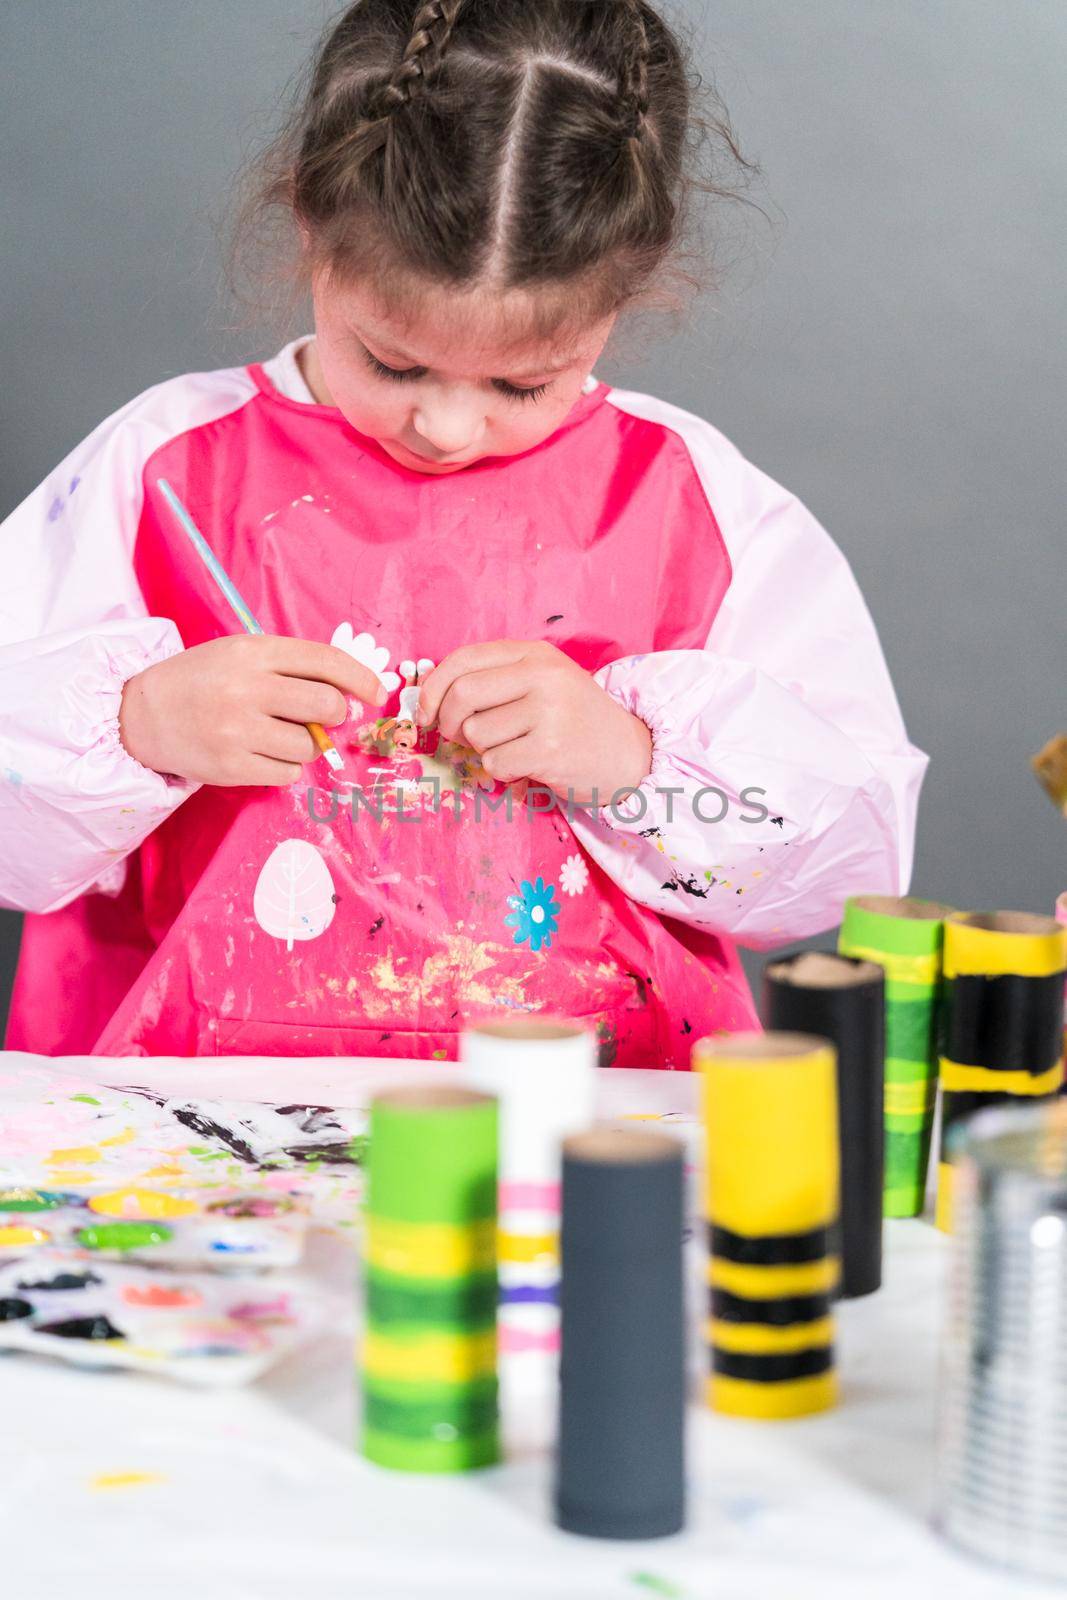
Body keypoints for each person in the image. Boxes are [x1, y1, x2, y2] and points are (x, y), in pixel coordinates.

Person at [0, 0, 927, 1064]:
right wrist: (132, 725)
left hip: (593, 1123)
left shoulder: (686, 501)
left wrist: (631, 761)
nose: (445, 426)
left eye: (522, 382)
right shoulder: (164, 469)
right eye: (392, 362)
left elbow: (844, 866)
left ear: (621, 295)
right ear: (310, 224)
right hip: (194, 1127)